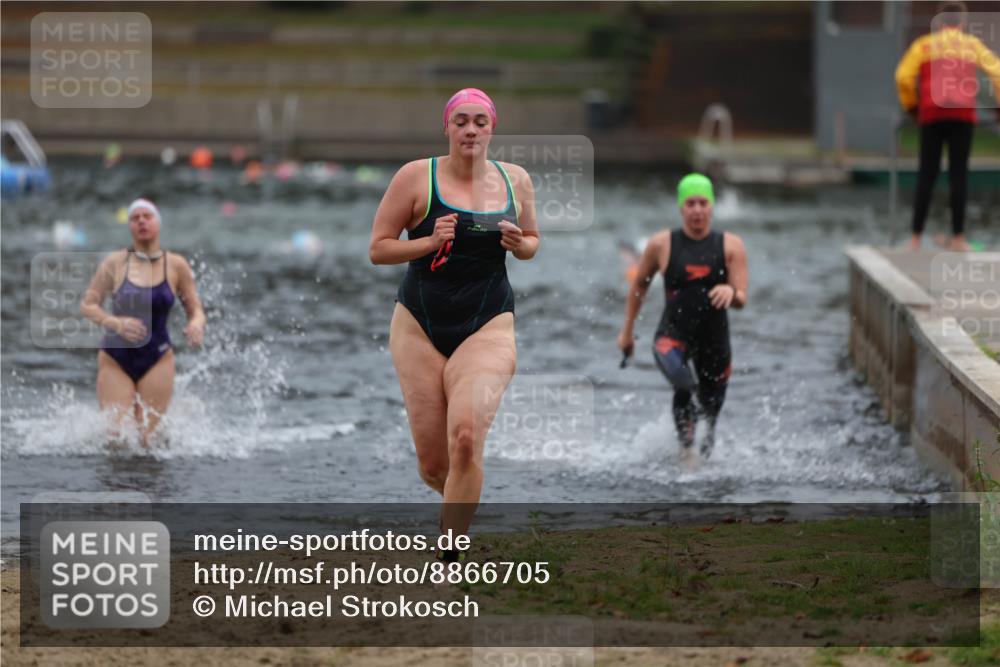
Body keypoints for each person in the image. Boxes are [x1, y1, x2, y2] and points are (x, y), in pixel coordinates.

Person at [369, 88, 539, 560]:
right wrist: (426, 243)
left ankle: (449, 555)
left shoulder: (515, 180)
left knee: (465, 438)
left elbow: (533, 243)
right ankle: (459, 504)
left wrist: (517, 243)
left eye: (480, 122)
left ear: (492, 129)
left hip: (488, 324)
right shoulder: (415, 178)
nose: (470, 130)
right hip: (418, 326)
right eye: (461, 121)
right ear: (446, 127)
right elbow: (379, 248)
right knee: (433, 464)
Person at [617, 174, 748, 465]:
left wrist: (731, 291)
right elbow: (639, 285)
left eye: (703, 203)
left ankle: (700, 454)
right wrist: (627, 332)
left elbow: (741, 298)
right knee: (684, 383)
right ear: (681, 207)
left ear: (712, 207)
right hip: (672, 335)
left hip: (715, 341)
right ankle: (685, 451)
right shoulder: (662, 244)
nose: (697, 209)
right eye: (691, 203)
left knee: (710, 414)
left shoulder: (731, 246)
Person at [81, 199, 206, 446]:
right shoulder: (115, 262)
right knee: (117, 439)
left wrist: (196, 324)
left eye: (147, 216)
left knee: (148, 442)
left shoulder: (177, 265)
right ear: (129, 226)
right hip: (116, 358)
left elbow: (197, 310)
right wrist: (114, 323)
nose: (141, 221)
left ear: (158, 223)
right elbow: (88, 305)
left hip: (157, 358)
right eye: (134, 217)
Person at [895, 0, 1000, 251]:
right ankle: (958, 238)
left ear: (939, 23)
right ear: (963, 23)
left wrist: (912, 105)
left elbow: (903, 77)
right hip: (962, 116)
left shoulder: (924, 45)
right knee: (958, 175)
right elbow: (997, 73)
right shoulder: (971, 45)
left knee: (926, 174)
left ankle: (915, 238)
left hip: (931, 115)